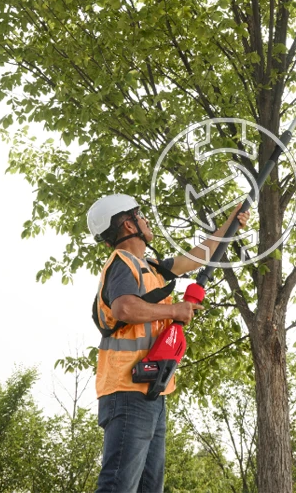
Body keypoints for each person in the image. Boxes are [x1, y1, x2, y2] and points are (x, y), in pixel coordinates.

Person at [86, 193, 249, 493]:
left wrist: (231, 223)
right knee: (118, 486)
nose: (146, 220)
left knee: (150, 488)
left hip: (151, 391)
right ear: (128, 224)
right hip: (127, 390)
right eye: (140, 215)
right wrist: (174, 311)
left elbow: (196, 257)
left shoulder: (151, 267)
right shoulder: (123, 263)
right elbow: (124, 308)